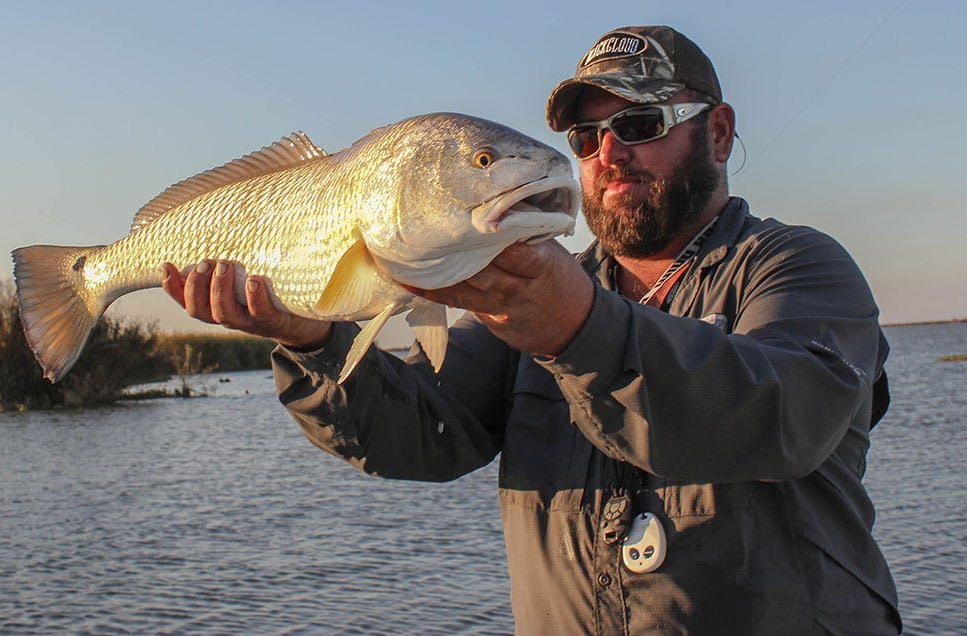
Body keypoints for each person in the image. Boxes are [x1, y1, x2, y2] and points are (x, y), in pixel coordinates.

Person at [162, 25, 901, 635]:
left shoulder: (800, 269)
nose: (608, 156)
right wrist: (310, 341)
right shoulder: (536, 298)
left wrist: (579, 328)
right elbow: (423, 432)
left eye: (639, 126)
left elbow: (777, 422)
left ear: (718, 132)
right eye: (586, 137)